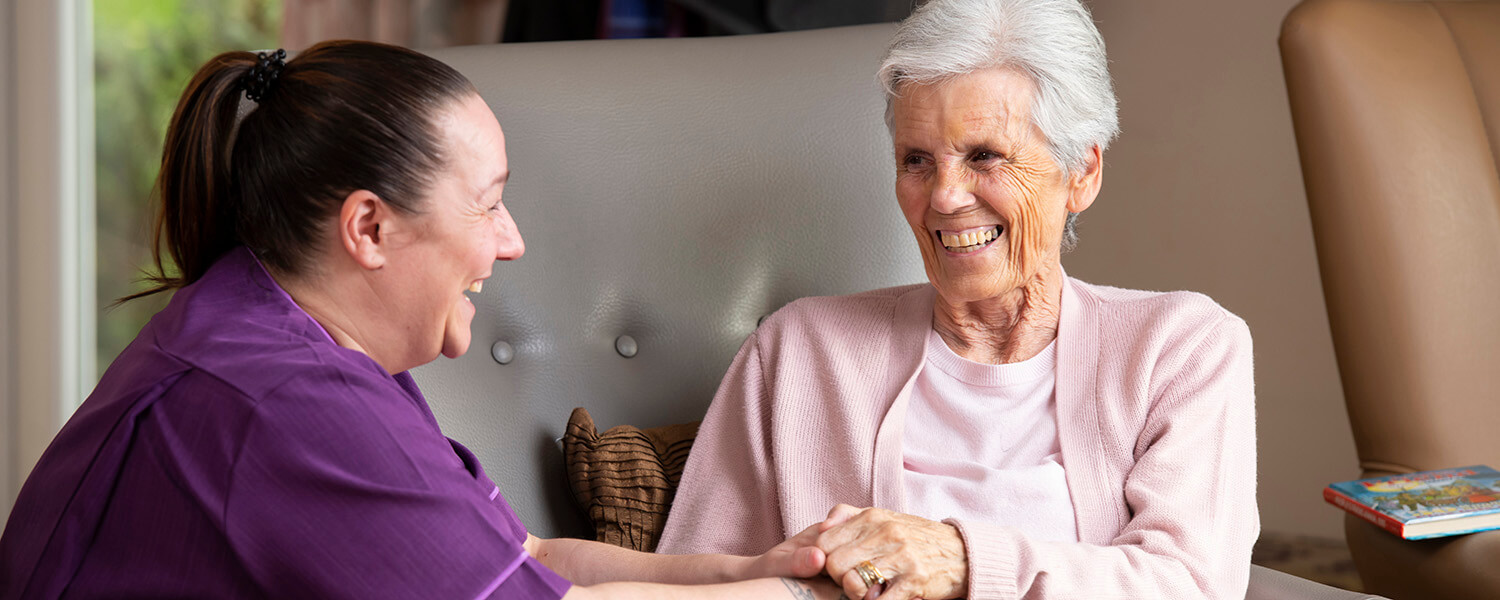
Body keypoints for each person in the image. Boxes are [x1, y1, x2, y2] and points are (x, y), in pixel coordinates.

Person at [0, 42, 848, 600]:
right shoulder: (289, 403)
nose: (512, 243)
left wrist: (746, 569)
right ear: (369, 228)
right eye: (488, 206)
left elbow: (530, 559)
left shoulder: (293, 327)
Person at [656, 0, 1259, 598]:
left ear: (1082, 173)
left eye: (984, 156)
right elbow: (696, 579)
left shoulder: (1182, 348)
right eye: (916, 160)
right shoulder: (797, 351)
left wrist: (962, 560)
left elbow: (1190, 583)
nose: (944, 197)